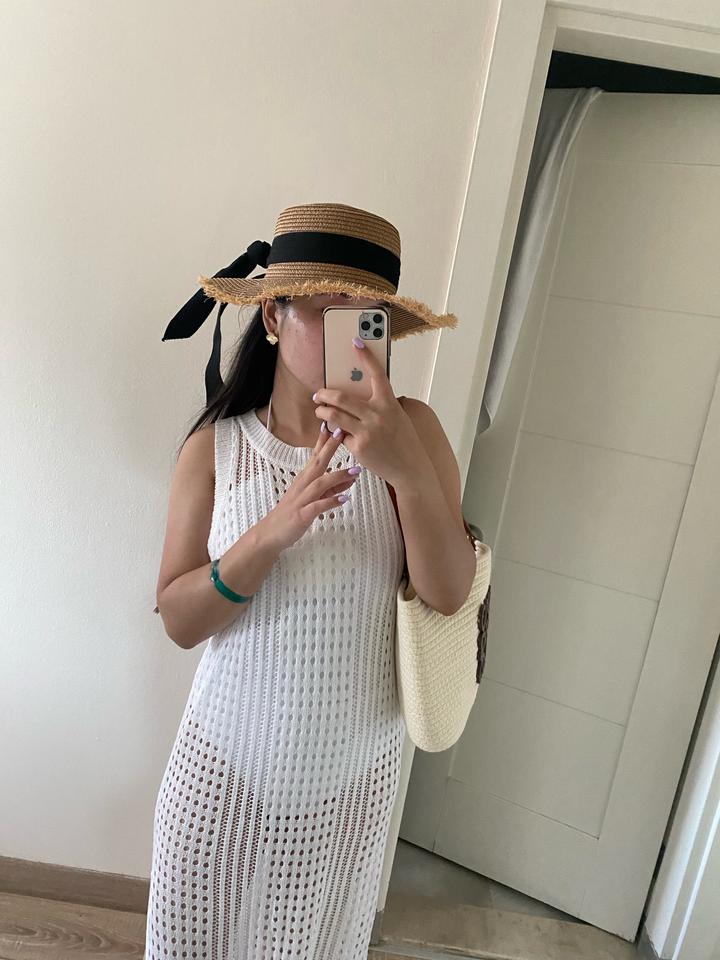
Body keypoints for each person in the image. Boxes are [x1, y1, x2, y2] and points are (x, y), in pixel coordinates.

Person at [145, 202, 475, 959]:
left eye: (367, 319)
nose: (351, 338)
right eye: (329, 311)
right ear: (272, 317)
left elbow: (450, 594)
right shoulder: (217, 450)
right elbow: (179, 621)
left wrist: (405, 472)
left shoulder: (416, 432)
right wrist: (271, 533)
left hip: (351, 794)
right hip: (220, 774)